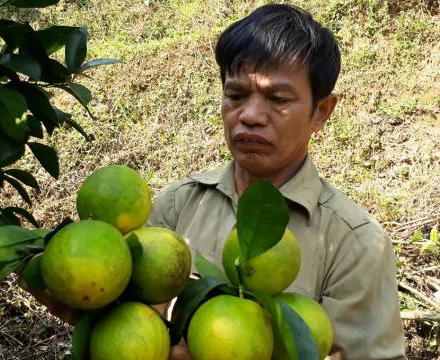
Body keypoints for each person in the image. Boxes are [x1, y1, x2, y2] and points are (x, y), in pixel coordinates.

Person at [148, 3, 405, 360]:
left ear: (321, 112)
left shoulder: (355, 244)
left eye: (278, 99)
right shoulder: (177, 206)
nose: (250, 116)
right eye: (236, 96)